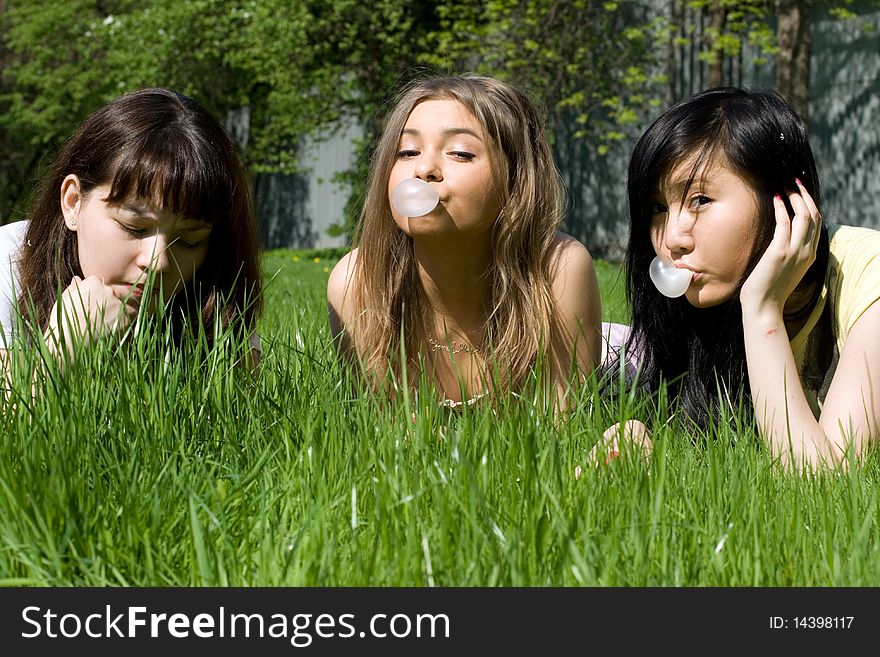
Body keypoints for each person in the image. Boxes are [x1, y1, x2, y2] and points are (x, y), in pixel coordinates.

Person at [597, 86, 880, 470]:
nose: (672, 239)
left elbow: (824, 477)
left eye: (700, 200)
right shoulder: (703, 310)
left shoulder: (868, 275)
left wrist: (763, 311)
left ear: (785, 200)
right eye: (659, 208)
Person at [327, 75, 602, 406]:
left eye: (460, 153)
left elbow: (562, 428)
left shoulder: (559, 271)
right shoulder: (357, 282)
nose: (424, 168)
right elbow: (381, 430)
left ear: (515, 181)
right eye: (407, 151)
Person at [0, 88, 262, 366]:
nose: (157, 261)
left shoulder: (215, 299)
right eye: (134, 227)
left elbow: (238, 403)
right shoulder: (7, 269)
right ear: (73, 202)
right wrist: (63, 355)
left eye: (189, 239)